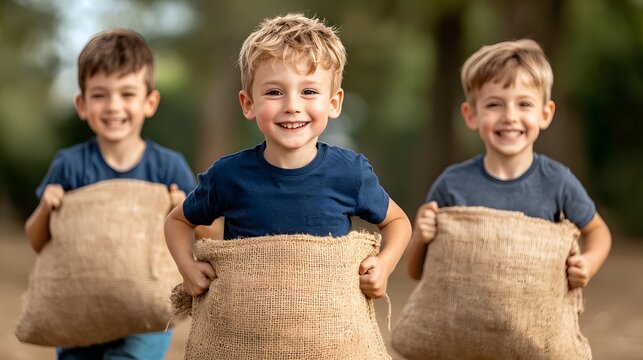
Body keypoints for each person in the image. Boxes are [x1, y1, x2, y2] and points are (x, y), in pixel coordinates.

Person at [165, 13, 412, 302]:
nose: (292, 106)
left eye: (308, 91)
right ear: (248, 104)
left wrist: (385, 264)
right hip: (245, 332)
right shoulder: (227, 175)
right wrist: (187, 268)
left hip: (326, 332)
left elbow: (398, 222)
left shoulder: (350, 173)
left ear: (334, 103)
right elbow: (177, 222)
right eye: (274, 92)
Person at [24, 28, 196, 360]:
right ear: (82, 104)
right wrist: (46, 208)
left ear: (150, 102)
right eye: (100, 95)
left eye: (127, 94)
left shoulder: (169, 167)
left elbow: (203, 234)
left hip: (145, 317)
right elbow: (36, 240)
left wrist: (182, 210)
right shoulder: (70, 166)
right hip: (79, 312)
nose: (113, 106)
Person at [406, 39, 612, 289]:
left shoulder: (558, 182)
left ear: (545, 114)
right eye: (494, 104)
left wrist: (588, 263)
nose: (510, 117)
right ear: (471, 115)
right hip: (467, 324)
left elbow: (598, 231)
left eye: (524, 104)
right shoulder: (452, 184)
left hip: (538, 322)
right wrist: (421, 237)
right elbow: (417, 272)